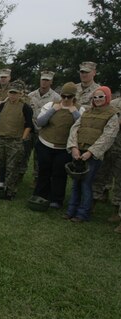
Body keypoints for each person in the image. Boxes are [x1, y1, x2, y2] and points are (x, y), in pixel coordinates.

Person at [64, 86, 119, 222]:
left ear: (107, 97)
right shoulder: (87, 112)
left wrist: (91, 152)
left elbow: (108, 137)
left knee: (86, 184)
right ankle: (71, 210)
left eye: (101, 97)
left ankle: (83, 213)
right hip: (79, 151)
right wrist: (74, 147)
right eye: (95, 97)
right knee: (76, 183)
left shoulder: (112, 114)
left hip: (93, 155)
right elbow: (75, 128)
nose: (98, 99)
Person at [32, 82, 81, 209]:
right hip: (45, 144)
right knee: (44, 171)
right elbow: (40, 122)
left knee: (59, 174)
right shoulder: (50, 105)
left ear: (74, 97)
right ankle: (40, 195)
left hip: (63, 148)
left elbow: (81, 127)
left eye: (69, 97)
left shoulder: (79, 109)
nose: (65, 99)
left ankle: (56, 199)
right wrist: (53, 110)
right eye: (63, 96)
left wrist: (74, 113)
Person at [0, 81, 34, 200]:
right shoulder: (2, 105)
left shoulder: (25, 107)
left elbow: (29, 125)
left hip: (15, 140)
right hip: (0, 138)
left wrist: (22, 139)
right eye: (11, 93)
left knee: (12, 167)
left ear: (20, 94)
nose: (12, 96)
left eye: (15, 93)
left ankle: (10, 191)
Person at [24, 70, 62, 183]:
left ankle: (37, 178)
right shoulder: (31, 95)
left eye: (47, 80)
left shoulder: (56, 98)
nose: (44, 82)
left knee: (39, 156)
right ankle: (20, 173)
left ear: (51, 82)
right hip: (30, 129)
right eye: (42, 80)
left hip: (44, 130)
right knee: (23, 153)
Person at [92, 95, 121, 221]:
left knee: (119, 181)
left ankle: (117, 210)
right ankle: (92, 203)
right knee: (100, 175)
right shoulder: (113, 104)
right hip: (107, 147)